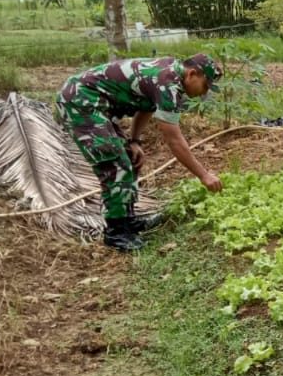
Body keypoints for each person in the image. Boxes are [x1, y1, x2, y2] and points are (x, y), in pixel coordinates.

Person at [56, 53, 225, 252]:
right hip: (80, 101)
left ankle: (128, 220)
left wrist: (135, 141)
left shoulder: (170, 73)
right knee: (115, 164)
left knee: (129, 156)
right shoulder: (168, 84)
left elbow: (146, 105)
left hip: (95, 104)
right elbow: (174, 140)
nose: (203, 93)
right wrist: (204, 175)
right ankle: (116, 232)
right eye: (204, 86)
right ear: (192, 74)